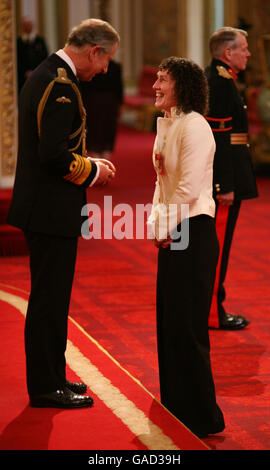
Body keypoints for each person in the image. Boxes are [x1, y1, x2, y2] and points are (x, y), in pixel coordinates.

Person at [7, 18, 120, 409]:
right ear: (94, 51)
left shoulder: (52, 75)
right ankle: (43, 386)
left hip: (48, 206)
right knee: (48, 301)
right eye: (105, 61)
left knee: (54, 299)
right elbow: (53, 155)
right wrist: (92, 170)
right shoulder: (58, 84)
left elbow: (54, 146)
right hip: (49, 210)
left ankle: (54, 375)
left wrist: (86, 160)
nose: (104, 69)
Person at [147, 57, 225, 438]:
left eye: (163, 80)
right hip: (173, 230)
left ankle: (201, 415)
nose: (155, 86)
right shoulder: (168, 123)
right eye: (156, 79)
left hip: (193, 230)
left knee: (189, 326)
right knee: (170, 321)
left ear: (183, 86)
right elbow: (161, 183)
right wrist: (155, 226)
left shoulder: (195, 127)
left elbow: (188, 188)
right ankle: (176, 403)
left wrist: (165, 225)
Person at [206, 27, 258, 330]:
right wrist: (224, 185)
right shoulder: (221, 84)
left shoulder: (223, 80)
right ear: (228, 53)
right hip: (224, 183)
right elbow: (219, 141)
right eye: (244, 48)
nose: (248, 53)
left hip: (230, 177)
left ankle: (214, 307)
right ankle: (213, 312)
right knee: (217, 249)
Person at [80, 59, 123, 159]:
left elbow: (83, 85)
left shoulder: (90, 65)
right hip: (109, 101)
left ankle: (96, 151)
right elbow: (119, 87)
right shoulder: (115, 66)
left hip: (93, 101)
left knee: (96, 126)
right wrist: (120, 104)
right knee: (106, 126)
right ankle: (106, 151)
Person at [17, 16, 48, 92]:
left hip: (39, 76)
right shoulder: (18, 42)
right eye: (25, 25)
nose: (27, 27)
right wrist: (25, 72)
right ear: (21, 27)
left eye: (29, 24)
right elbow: (16, 60)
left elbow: (45, 58)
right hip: (22, 79)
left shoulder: (40, 41)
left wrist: (35, 72)